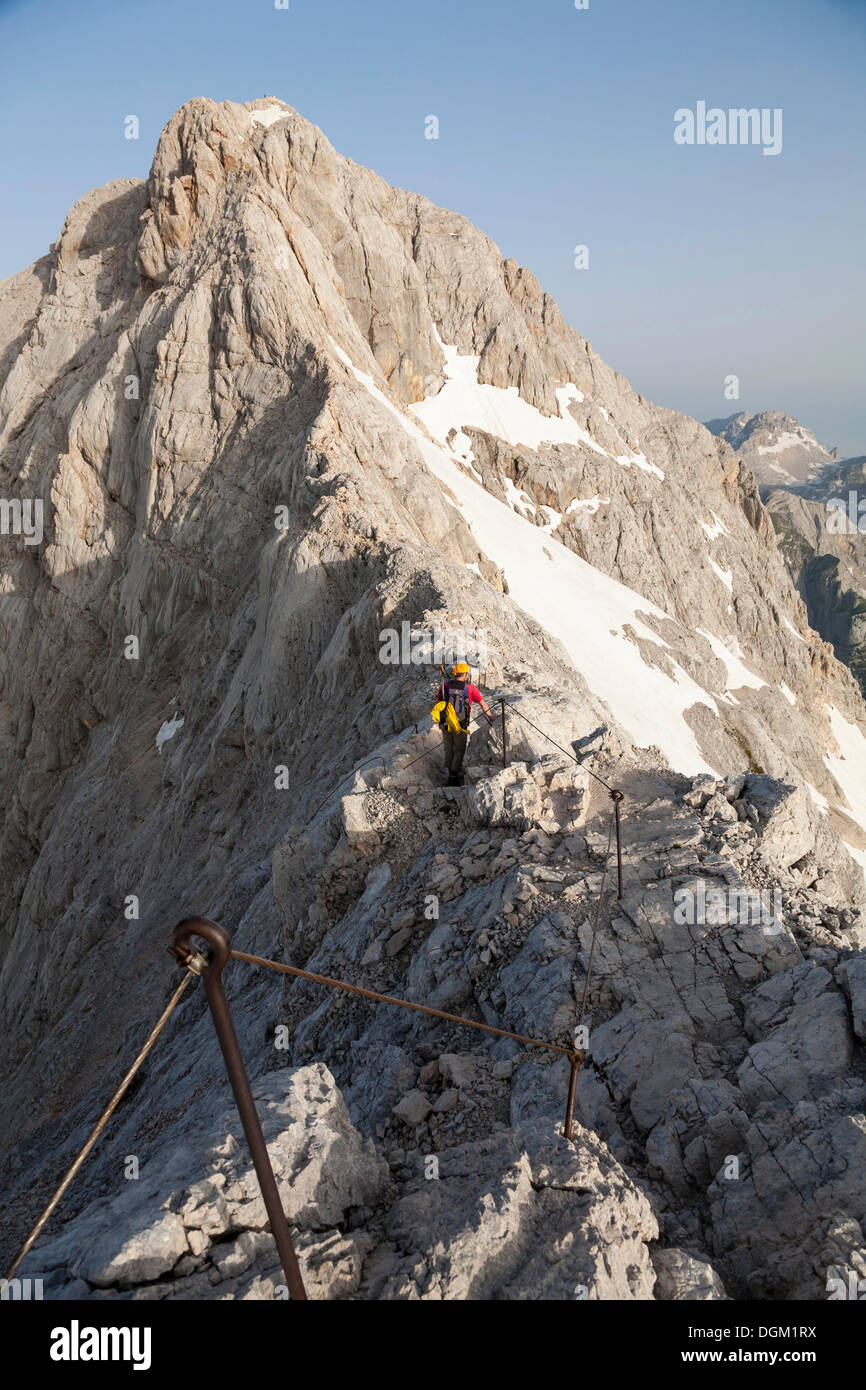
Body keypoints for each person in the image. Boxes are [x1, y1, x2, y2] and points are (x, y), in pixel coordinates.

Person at [431, 662, 495, 785]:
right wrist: (490, 716)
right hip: (461, 724)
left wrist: (440, 721)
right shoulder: (470, 688)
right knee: (459, 749)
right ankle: (455, 775)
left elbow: (439, 705)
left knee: (448, 748)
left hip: (446, 723)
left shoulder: (445, 686)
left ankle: (449, 772)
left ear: (455, 674)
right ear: (465, 674)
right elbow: (482, 703)